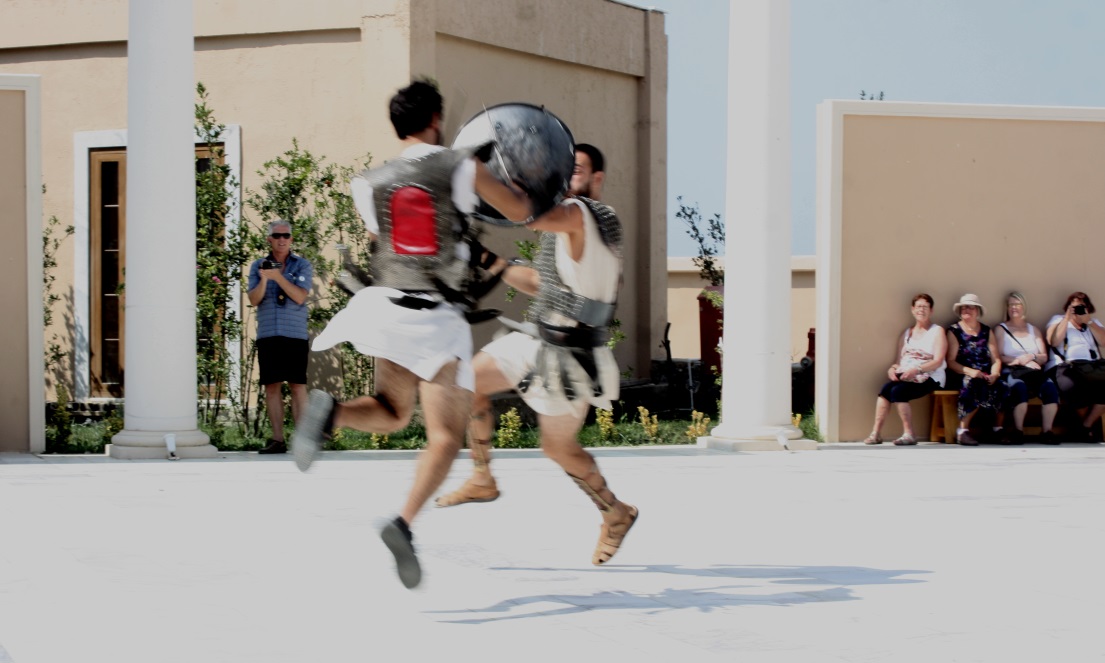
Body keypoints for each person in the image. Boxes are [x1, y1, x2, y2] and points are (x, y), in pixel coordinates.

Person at [290, 80, 538, 589]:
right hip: (436, 316)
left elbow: (386, 239)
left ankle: (330, 410)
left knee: (392, 409)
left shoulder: (369, 182)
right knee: (446, 437)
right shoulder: (462, 166)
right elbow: (517, 211)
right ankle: (403, 525)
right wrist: (519, 178)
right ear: (436, 117)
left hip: (385, 306)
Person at [436, 143, 638, 567]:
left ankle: (615, 512)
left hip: (572, 357)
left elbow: (524, 215)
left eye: (578, 171)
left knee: (558, 450)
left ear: (597, 179)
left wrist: (481, 176)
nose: (569, 178)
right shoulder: (567, 229)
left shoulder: (587, 215)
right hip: (537, 340)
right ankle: (482, 477)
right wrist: (486, 257)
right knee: (465, 382)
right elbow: (540, 283)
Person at [246, 219, 312, 454]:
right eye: (277, 235)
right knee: (271, 387)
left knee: (297, 386)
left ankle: (303, 441)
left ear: (291, 240)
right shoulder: (258, 266)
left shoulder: (302, 265)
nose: (282, 239)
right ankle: (277, 439)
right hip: (269, 333)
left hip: (294, 334)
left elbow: (300, 296)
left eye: (286, 235)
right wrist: (265, 278)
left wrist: (278, 277)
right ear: (269, 239)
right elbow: (254, 300)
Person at [862, 293, 947, 446]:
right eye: (918, 306)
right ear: (912, 309)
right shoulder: (906, 334)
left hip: (931, 376)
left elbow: (938, 360)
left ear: (931, 311)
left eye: (925, 307)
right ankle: (876, 433)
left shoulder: (937, 331)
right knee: (886, 389)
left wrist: (917, 369)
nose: (921, 310)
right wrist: (892, 369)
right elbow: (898, 361)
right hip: (907, 375)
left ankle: (909, 434)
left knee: (898, 391)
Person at [994, 292, 1058, 444]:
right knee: (1019, 388)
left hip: (1034, 372)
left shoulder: (1033, 329)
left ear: (1024, 307)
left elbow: (1044, 356)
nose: (1014, 307)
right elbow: (999, 356)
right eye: (1010, 305)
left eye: (1017, 304)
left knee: (1050, 388)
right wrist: (1020, 360)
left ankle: (1047, 431)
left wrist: (1031, 357)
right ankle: (1018, 431)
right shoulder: (1001, 329)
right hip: (1012, 371)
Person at [1044, 291, 1105, 441]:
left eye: (1081, 307)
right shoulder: (1058, 319)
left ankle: (1085, 427)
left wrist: (1088, 322)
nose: (1077, 310)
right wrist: (1067, 318)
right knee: (1071, 387)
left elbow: (1104, 342)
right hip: (1066, 367)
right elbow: (1054, 341)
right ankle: (1087, 429)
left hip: (1092, 367)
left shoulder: (1093, 322)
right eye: (1074, 307)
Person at [946, 293, 1005, 446]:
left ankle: (997, 429)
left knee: (1003, 385)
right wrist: (970, 371)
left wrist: (995, 373)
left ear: (977, 311)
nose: (967, 310)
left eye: (970, 307)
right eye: (964, 307)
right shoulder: (954, 331)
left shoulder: (986, 331)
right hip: (962, 373)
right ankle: (962, 431)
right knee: (971, 383)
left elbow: (996, 359)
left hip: (984, 373)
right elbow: (951, 361)